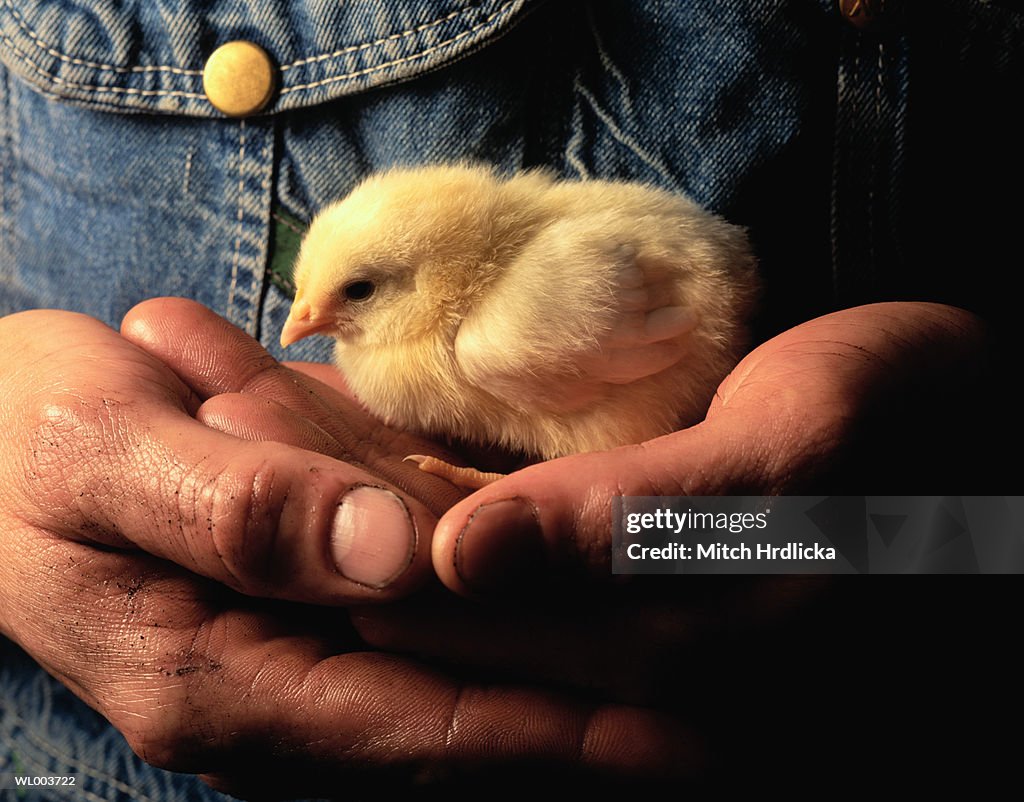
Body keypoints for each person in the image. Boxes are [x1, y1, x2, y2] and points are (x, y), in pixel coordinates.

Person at [1, 1, 1020, 798]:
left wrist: (929, 544)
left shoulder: (508, 323)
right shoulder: (443, 301)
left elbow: (967, 532)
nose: (306, 322)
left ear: (420, 277)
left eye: (349, 295)